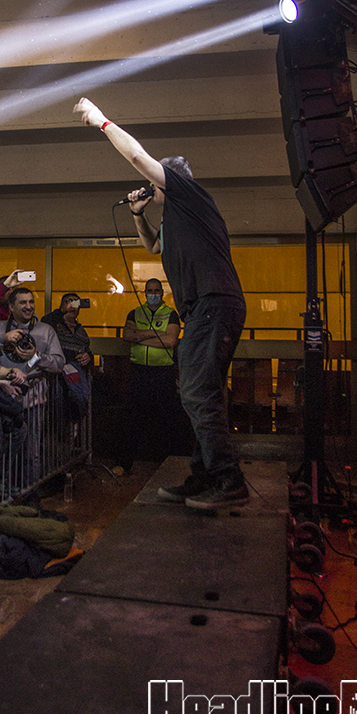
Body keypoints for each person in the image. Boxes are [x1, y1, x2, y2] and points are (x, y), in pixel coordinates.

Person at [73, 97, 248, 509]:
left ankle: (228, 478)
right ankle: (204, 475)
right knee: (196, 392)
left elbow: (137, 156)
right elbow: (153, 245)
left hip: (214, 303)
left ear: (171, 181)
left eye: (157, 184)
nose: (152, 188)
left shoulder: (191, 195)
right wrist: (139, 214)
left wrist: (101, 121)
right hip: (203, 309)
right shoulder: (176, 219)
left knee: (198, 392)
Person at [118, 278, 191, 473]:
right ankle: (125, 464)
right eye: (150, 291)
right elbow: (127, 336)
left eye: (156, 291)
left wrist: (140, 336)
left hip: (163, 373)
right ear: (144, 293)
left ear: (162, 293)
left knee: (169, 420)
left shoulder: (171, 314)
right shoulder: (135, 313)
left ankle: (173, 464)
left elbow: (170, 340)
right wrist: (156, 333)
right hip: (138, 372)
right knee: (132, 419)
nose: (153, 294)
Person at [0, 288, 65, 378]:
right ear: (11, 307)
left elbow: (59, 365)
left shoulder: (46, 330)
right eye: (23, 302)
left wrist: (36, 357)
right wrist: (2, 338)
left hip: (35, 384)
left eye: (31, 302)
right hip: (3, 383)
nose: (29, 307)